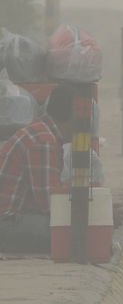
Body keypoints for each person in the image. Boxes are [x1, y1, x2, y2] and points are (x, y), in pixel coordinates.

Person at [0, 83, 76, 253]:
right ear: (74, 115)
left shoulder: (42, 132)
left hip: (14, 218)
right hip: (6, 223)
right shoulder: (44, 141)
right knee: (72, 235)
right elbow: (51, 204)